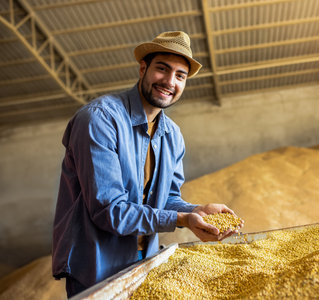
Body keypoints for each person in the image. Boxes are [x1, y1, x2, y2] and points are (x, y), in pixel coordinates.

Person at [52, 31, 240, 298]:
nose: (169, 81)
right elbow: (109, 211)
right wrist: (183, 219)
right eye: (162, 69)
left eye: (180, 75)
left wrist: (196, 210)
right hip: (96, 267)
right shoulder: (99, 120)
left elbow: (167, 198)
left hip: (145, 262)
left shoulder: (172, 135)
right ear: (143, 68)